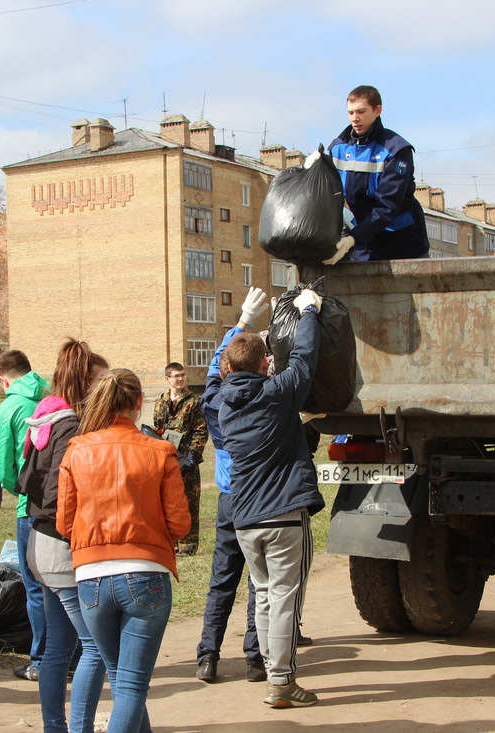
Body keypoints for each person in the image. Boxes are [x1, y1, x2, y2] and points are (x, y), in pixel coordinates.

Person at [57, 369, 191, 733]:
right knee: (130, 684)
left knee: (121, 678)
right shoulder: (160, 451)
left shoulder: (76, 450)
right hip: (144, 571)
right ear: (139, 403)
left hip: (90, 577)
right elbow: (180, 525)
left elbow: (64, 523)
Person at [218, 288, 325, 708]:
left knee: (263, 595)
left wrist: (244, 329)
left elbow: (222, 369)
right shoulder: (278, 392)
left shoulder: (222, 402)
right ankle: (280, 681)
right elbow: (306, 356)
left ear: (228, 367)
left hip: (244, 517)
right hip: (282, 512)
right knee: (283, 600)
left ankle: (272, 672)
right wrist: (310, 311)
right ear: (265, 362)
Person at [13, 338, 108, 732]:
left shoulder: (48, 417)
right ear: (87, 384)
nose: (108, 390)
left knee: (58, 647)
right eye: (102, 382)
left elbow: (24, 481)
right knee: (96, 649)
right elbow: (55, 498)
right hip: (59, 548)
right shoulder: (70, 425)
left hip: (40, 543)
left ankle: (56, 726)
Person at [195, 287, 269, 684]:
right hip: (259, 501)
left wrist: (241, 323)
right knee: (260, 581)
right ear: (262, 366)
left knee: (222, 580)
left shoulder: (212, 401)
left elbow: (212, 369)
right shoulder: (270, 400)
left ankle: (208, 656)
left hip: (229, 499)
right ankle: (255, 659)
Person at [0, 350, 49, 681]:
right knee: (63, 586)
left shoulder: (7, 409)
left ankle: (41, 661)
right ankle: (72, 655)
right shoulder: (50, 399)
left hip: (30, 508)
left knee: (36, 588)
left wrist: (22, 491)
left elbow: (2, 467)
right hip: (61, 505)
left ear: (3, 378)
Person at [324, 84, 430, 264]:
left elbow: (388, 205)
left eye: (361, 111)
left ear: (377, 110)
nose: (355, 119)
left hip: (403, 244)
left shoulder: (396, 150)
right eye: (350, 113)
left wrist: (352, 239)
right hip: (365, 244)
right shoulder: (338, 148)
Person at [152, 362, 207, 556]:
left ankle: (188, 544)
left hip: (187, 459)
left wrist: (192, 455)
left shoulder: (194, 401)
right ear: (167, 379)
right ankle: (171, 542)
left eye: (183, 375)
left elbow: (200, 431)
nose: (180, 379)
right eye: (176, 376)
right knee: (168, 501)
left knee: (190, 500)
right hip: (167, 459)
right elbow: (157, 430)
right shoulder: (160, 403)